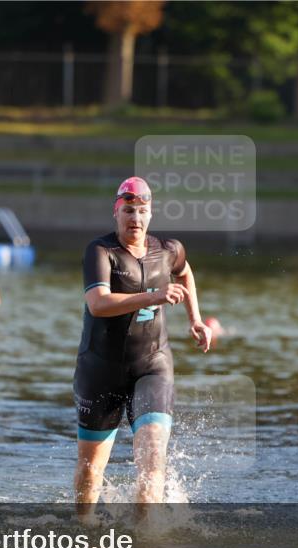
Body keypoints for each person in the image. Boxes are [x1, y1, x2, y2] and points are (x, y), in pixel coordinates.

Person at [73, 177, 211, 515]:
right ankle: (85, 538)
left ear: (151, 215)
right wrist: (153, 296)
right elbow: (98, 303)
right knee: (91, 474)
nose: (135, 217)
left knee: (151, 457)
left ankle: (145, 547)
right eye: (129, 210)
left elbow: (185, 272)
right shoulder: (101, 252)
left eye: (142, 211)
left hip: (152, 365)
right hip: (101, 370)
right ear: (116, 213)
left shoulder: (167, 250)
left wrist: (196, 319)